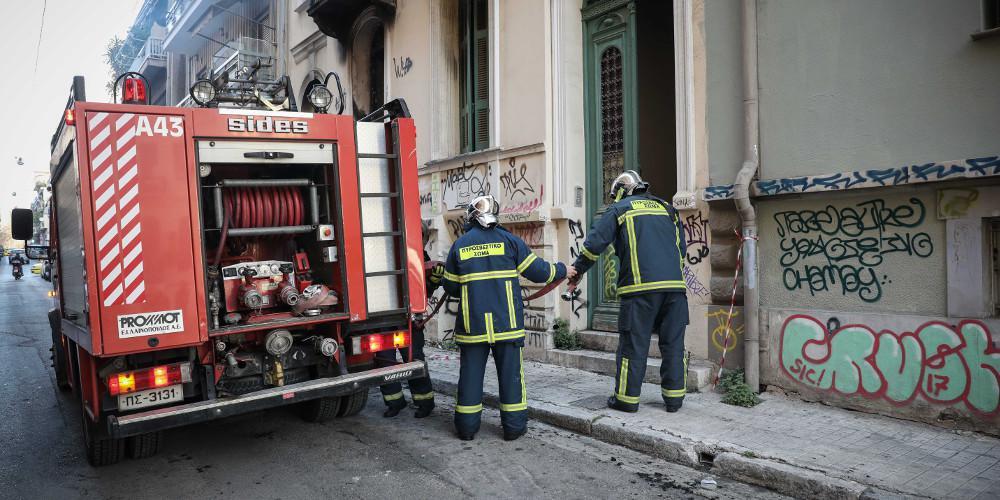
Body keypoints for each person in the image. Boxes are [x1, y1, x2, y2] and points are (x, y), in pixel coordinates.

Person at [440, 195, 576, 441]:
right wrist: (563, 270)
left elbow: (449, 286)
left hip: (474, 326)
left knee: (470, 377)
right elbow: (540, 272)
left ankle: (467, 429)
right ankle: (513, 429)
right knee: (512, 377)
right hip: (507, 324)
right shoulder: (510, 242)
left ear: (471, 216)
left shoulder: (460, 246)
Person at [568, 170, 688, 413]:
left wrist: (578, 270)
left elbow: (594, 245)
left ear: (622, 191)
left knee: (634, 346)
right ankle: (674, 401)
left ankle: (626, 400)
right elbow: (682, 250)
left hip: (639, 290)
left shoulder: (620, 209)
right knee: (673, 346)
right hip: (676, 290)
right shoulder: (668, 209)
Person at [377, 222, 440, 418]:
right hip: (382, 317)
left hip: (409, 319)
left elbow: (425, 290)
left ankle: (425, 403)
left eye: (420, 233)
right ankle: (395, 402)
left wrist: (434, 281)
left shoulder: (422, 256)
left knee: (413, 360)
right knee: (384, 361)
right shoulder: (381, 255)